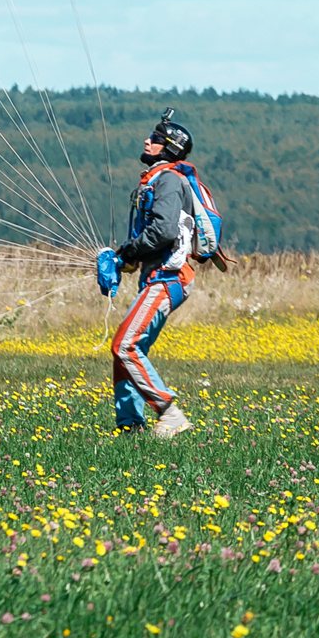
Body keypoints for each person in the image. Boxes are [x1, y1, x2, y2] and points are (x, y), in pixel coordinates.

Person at [99, 111, 202, 438]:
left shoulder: (169, 179)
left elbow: (163, 231)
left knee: (125, 345)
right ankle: (130, 427)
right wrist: (123, 260)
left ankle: (170, 414)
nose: (148, 140)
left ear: (168, 148)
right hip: (156, 277)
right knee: (125, 353)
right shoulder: (157, 179)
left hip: (169, 278)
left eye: (155, 138)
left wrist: (127, 251)